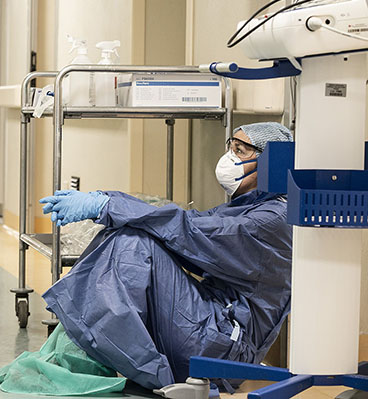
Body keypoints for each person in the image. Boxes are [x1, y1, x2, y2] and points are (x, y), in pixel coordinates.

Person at [37, 122, 294, 390]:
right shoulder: (248, 207)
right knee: (131, 234)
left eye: (240, 151)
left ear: (270, 162)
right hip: (209, 329)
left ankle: (139, 371)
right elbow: (185, 226)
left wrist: (108, 204)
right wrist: (106, 201)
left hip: (224, 350)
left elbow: (189, 231)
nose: (229, 157)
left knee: (133, 244)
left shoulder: (270, 220)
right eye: (231, 147)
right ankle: (87, 352)